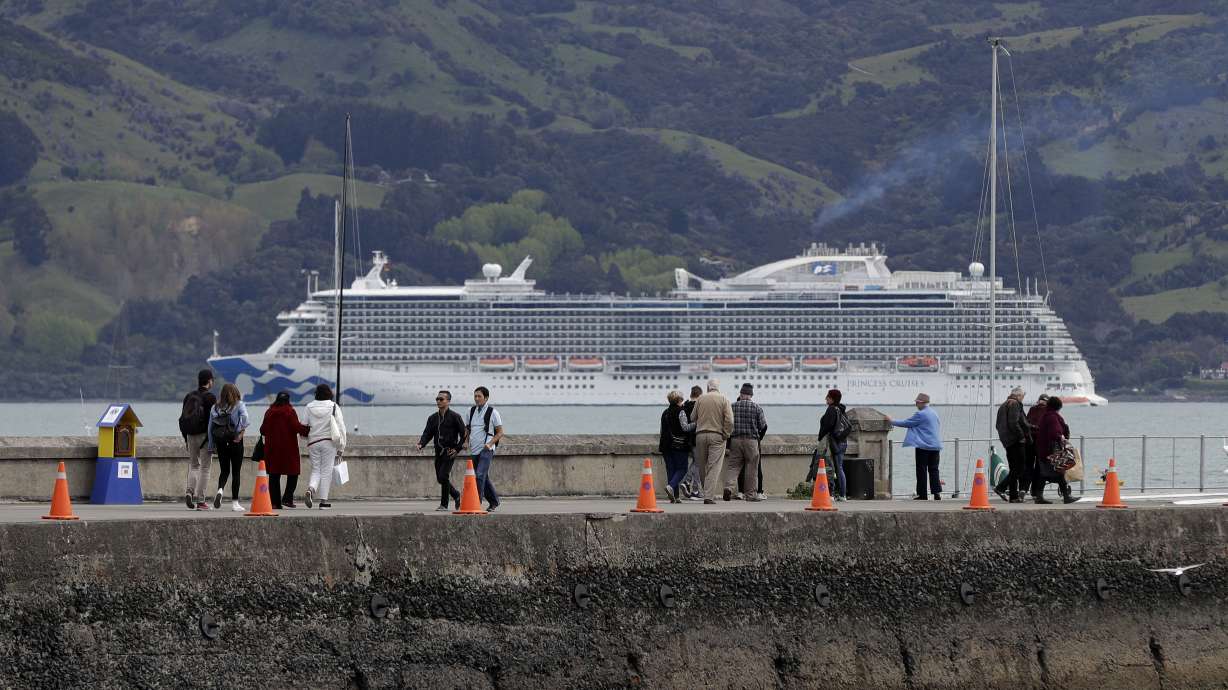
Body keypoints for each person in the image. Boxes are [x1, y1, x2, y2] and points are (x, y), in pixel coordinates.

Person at [886, 393, 943, 500]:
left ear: (921, 402)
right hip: (936, 446)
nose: (916, 404)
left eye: (917, 402)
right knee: (934, 470)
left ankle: (923, 495)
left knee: (921, 470)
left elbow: (906, 423)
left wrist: (891, 420)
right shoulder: (934, 413)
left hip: (924, 446)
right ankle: (937, 494)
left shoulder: (921, 414)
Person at [416, 390, 466, 511]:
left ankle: (444, 505)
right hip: (438, 452)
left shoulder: (455, 417)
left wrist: (457, 449)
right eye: (437, 399)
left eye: (441, 399)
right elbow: (427, 433)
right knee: (440, 479)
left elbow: (464, 434)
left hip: (450, 452)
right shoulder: (432, 418)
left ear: (448, 401)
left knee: (443, 476)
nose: (438, 401)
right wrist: (421, 443)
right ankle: (456, 495)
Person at [259, 391, 309, 509]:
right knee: (293, 472)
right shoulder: (290, 412)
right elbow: (297, 427)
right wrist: (308, 430)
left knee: (274, 475)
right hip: (288, 449)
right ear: (288, 400)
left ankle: (275, 503)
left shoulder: (269, 412)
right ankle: (287, 498)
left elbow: (262, 430)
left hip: (272, 449)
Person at [303, 383, 346, 510]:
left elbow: (304, 425)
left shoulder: (309, 406)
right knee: (326, 471)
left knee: (316, 469)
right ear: (329, 393)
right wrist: (341, 447)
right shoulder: (333, 406)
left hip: (313, 442)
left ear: (316, 393)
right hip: (329, 442)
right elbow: (341, 427)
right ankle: (323, 502)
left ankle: (311, 489)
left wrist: (305, 437)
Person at [207, 383, 250, 512]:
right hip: (235, 441)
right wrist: (240, 432)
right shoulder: (239, 405)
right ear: (235, 392)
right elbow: (246, 419)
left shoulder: (215, 407)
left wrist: (211, 444)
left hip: (220, 442)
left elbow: (210, 428)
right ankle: (235, 503)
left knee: (224, 471)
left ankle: (220, 490)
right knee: (236, 472)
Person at [179, 369, 217, 510]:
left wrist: (186, 438)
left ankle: (189, 491)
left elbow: (183, 418)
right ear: (209, 381)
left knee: (194, 465)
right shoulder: (210, 398)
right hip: (204, 436)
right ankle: (201, 501)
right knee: (205, 468)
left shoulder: (189, 396)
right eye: (212, 380)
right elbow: (214, 421)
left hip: (190, 435)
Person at [692, 379, 734, 505]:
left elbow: (692, 417)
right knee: (714, 466)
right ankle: (708, 496)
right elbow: (730, 420)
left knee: (702, 465)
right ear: (718, 388)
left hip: (700, 435)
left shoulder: (700, 399)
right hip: (717, 436)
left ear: (708, 387)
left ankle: (706, 491)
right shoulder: (724, 399)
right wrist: (726, 433)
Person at [723, 383, 766, 502]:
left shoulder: (732, 407)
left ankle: (728, 488)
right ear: (751, 395)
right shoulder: (757, 407)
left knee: (733, 466)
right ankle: (751, 495)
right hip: (751, 441)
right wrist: (759, 438)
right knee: (752, 467)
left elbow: (726, 424)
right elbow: (763, 426)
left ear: (741, 394)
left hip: (735, 440)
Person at [464, 386, 504, 512]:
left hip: (487, 448)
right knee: (483, 476)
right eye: (475, 396)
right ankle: (494, 502)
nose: (476, 399)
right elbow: (467, 429)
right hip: (474, 449)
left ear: (486, 398)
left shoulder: (493, 412)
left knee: (480, 475)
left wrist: (490, 444)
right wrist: (466, 442)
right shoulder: (470, 411)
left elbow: (500, 432)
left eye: (479, 396)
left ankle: (477, 502)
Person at [1033, 396, 1078, 504]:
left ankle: (1039, 497)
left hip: (1042, 449)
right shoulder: (1053, 417)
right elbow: (1055, 433)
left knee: (1044, 474)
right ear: (1058, 406)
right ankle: (1066, 497)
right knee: (1059, 472)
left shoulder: (1046, 415)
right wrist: (1061, 437)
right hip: (1050, 451)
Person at [994, 387, 1032, 504]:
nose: (1022, 399)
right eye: (1022, 397)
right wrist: (1021, 437)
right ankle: (1001, 488)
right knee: (1020, 468)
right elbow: (1014, 422)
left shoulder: (1003, 405)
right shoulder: (1015, 404)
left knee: (1013, 469)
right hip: (1016, 441)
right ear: (1019, 396)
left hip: (1007, 442)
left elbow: (997, 425)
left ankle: (1014, 497)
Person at [815, 389, 849, 500]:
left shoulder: (831, 410)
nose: (826, 398)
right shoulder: (842, 409)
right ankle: (843, 495)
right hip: (842, 442)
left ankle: (831, 494)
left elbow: (827, 426)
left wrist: (820, 437)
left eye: (828, 397)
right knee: (840, 468)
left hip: (833, 443)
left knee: (829, 468)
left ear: (832, 398)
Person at [658, 391, 691, 503]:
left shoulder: (665, 412)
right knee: (682, 468)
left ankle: (675, 497)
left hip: (665, 446)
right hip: (679, 445)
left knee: (671, 470)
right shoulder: (681, 412)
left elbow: (662, 431)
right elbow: (685, 427)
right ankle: (671, 486)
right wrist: (696, 424)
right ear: (678, 400)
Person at [679, 386, 703, 499]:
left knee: (696, 462)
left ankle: (695, 490)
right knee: (698, 463)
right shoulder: (699, 406)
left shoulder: (684, 406)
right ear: (700, 395)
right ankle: (688, 482)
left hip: (686, 440)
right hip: (696, 438)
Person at [1025, 394, 1049, 499]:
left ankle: (1023, 489)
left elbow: (1026, 423)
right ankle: (1035, 492)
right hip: (1041, 442)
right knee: (1039, 468)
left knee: (1028, 466)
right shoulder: (1048, 411)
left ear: (1038, 401)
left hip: (1029, 441)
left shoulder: (1032, 409)